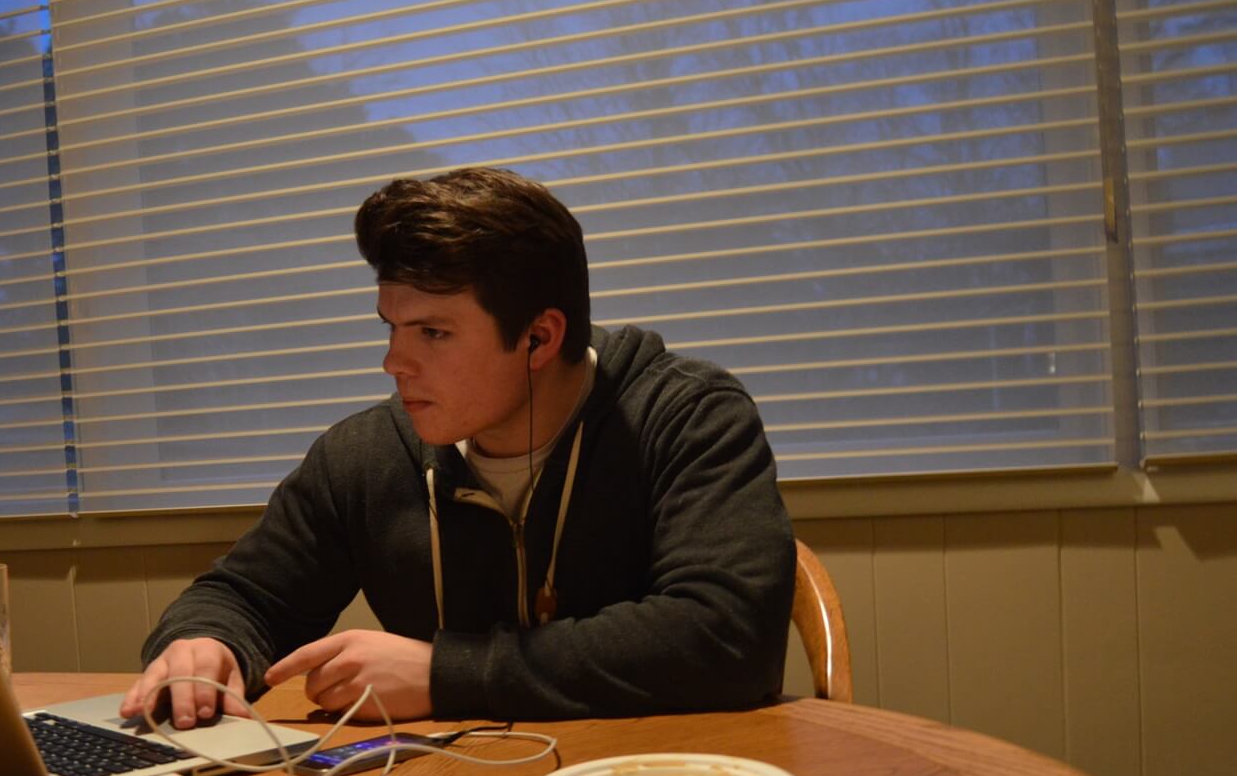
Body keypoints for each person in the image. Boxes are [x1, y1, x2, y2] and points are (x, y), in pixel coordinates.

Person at [121, 167, 795, 729]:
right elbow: (244, 596)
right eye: (391, 328)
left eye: (432, 333)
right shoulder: (368, 455)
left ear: (539, 337)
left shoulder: (684, 416)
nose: (393, 362)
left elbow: (726, 634)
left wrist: (444, 674)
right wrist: (203, 645)